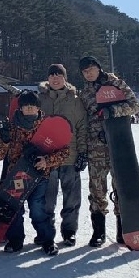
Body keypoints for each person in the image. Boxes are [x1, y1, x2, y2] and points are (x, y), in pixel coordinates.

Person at [0, 90, 69, 256]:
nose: (29, 109)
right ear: (20, 108)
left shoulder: (47, 126)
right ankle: (16, 240)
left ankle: (47, 239)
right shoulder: (12, 126)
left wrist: (46, 161)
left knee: (38, 208)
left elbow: (64, 152)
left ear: (38, 107)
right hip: (16, 176)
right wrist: (4, 139)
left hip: (39, 176)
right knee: (15, 209)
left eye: (32, 106)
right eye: (25, 106)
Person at [78, 56, 139, 247]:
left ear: (98, 68)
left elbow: (134, 105)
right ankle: (99, 232)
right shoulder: (85, 93)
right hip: (95, 148)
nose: (89, 74)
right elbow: (83, 121)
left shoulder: (115, 84)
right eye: (85, 72)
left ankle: (123, 230)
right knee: (96, 190)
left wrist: (112, 111)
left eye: (91, 69)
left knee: (120, 187)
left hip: (118, 145)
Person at [37, 64, 87, 247]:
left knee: (72, 198)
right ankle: (46, 232)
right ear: (48, 79)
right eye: (52, 76)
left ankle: (69, 232)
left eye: (59, 75)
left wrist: (83, 152)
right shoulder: (40, 98)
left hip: (70, 156)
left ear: (65, 78)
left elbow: (82, 126)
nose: (55, 79)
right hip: (47, 157)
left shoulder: (75, 99)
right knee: (46, 199)